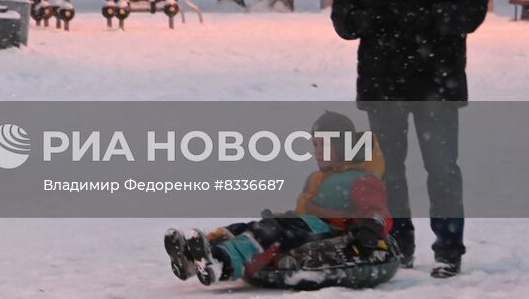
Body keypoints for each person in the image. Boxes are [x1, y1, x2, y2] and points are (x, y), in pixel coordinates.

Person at [330, 0, 488, 279]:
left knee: (442, 168)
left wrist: (425, 19)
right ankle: (398, 242)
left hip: (436, 82)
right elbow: (343, 22)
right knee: (386, 170)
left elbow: (473, 9)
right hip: (382, 84)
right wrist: (378, 19)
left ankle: (448, 248)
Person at [163, 111, 396, 289]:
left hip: (336, 233)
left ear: (342, 145)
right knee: (246, 228)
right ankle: (196, 256)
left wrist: (370, 226)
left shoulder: (362, 178)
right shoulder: (319, 178)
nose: (316, 150)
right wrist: (288, 217)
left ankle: (221, 261)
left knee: (269, 232)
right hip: (310, 226)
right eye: (314, 144)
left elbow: (378, 212)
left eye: (323, 144)